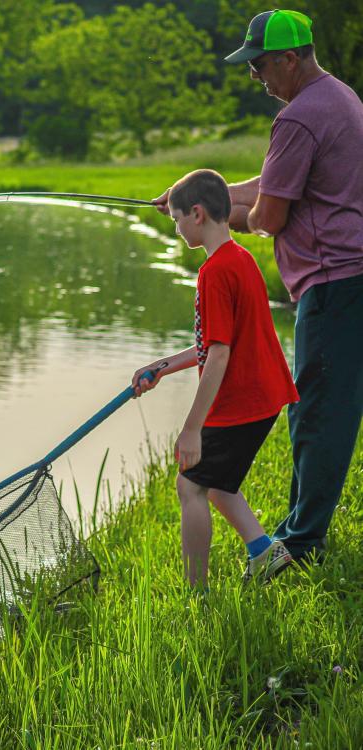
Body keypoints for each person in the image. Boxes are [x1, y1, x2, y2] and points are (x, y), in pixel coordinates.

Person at [154, 10, 363, 566]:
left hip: (334, 280)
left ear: (290, 59)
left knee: (320, 412)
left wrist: (214, 219)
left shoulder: (298, 119)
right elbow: (268, 183)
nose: (256, 78)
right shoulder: (338, 99)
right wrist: (193, 197)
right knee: (318, 408)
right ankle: (298, 532)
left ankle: (303, 542)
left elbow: (268, 215)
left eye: (261, 66)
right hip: (345, 280)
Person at [133, 169, 299, 587]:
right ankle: (264, 552)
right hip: (262, 397)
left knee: (190, 485)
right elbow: (215, 343)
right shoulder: (239, 260)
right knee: (219, 483)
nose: (174, 227)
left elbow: (220, 355)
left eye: (176, 219)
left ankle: (197, 593)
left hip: (242, 400)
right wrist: (162, 367)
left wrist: (193, 430)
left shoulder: (214, 273)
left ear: (197, 214)